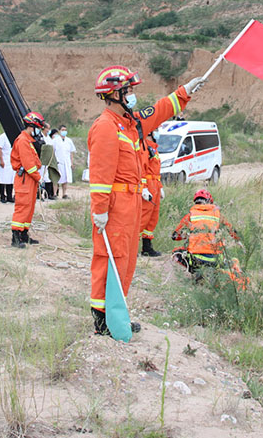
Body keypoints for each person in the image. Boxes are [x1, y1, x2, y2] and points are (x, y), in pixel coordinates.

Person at [88, 65, 204, 335]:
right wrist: (100, 210)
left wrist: (184, 92)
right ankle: (102, 320)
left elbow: (159, 111)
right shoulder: (106, 127)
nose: (132, 94)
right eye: (127, 90)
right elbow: (101, 176)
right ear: (114, 94)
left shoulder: (129, 124)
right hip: (115, 206)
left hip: (131, 203)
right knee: (110, 259)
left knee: (126, 261)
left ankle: (117, 314)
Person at [171, 188, 241, 281]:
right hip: (216, 259)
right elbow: (232, 231)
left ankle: (196, 272)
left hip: (196, 260)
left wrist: (188, 235)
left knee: (176, 253)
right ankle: (220, 272)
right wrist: (239, 240)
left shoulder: (191, 215)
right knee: (232, 260)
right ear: (210, 202)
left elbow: (175, 236)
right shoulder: (218, 214)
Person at [10, 111, 47, 249]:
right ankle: (15, 238)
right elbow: (29, 165)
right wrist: (39, 178)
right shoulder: (23, 141)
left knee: (29, 208)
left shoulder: (28, 141)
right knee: (22, 207)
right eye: (38, 128)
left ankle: (24, 235)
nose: (39, 132)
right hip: (25, 179)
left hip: (29, 179)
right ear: (31, 127)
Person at [138, 129, 165, 257]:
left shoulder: (153, 148)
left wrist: (160, 187)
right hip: (148, 185)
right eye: (156, 130)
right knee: (142, 218)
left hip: (155, 185)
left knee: (152, 218)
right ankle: (132, 248)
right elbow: (142, 169)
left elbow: (155, 170)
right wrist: (143, 188)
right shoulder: (144, 146)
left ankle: (147, 248)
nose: (157, 132)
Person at [53, 125, 77, 199]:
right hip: (58, 162)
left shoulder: (69, 140)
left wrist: (71, 163)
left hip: (67, 162)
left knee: (66, 178)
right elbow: (52, 151)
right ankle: (55, 194)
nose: (64, 131)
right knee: (56, 178)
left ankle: (64, 194)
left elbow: (71, 152)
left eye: (65, 130)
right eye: (62, 130)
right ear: (59, 131)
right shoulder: (55, 140)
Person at [40, 127, 59, 200]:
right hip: (43, 160)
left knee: (48, 177)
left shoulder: (49, 138)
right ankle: (40, 194)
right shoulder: (41, 137)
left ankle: (48, 194)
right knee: (41, 177)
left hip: (49, 160)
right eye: (47, 128)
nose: (48, 130)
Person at [0, 131, 15, 204]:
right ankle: (2, 196)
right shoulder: (2, 137)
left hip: (11, 161)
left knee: (10, 179)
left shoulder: (12, 137)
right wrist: (1, 160)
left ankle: (9, 196)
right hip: (4, 160)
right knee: (3, 179)